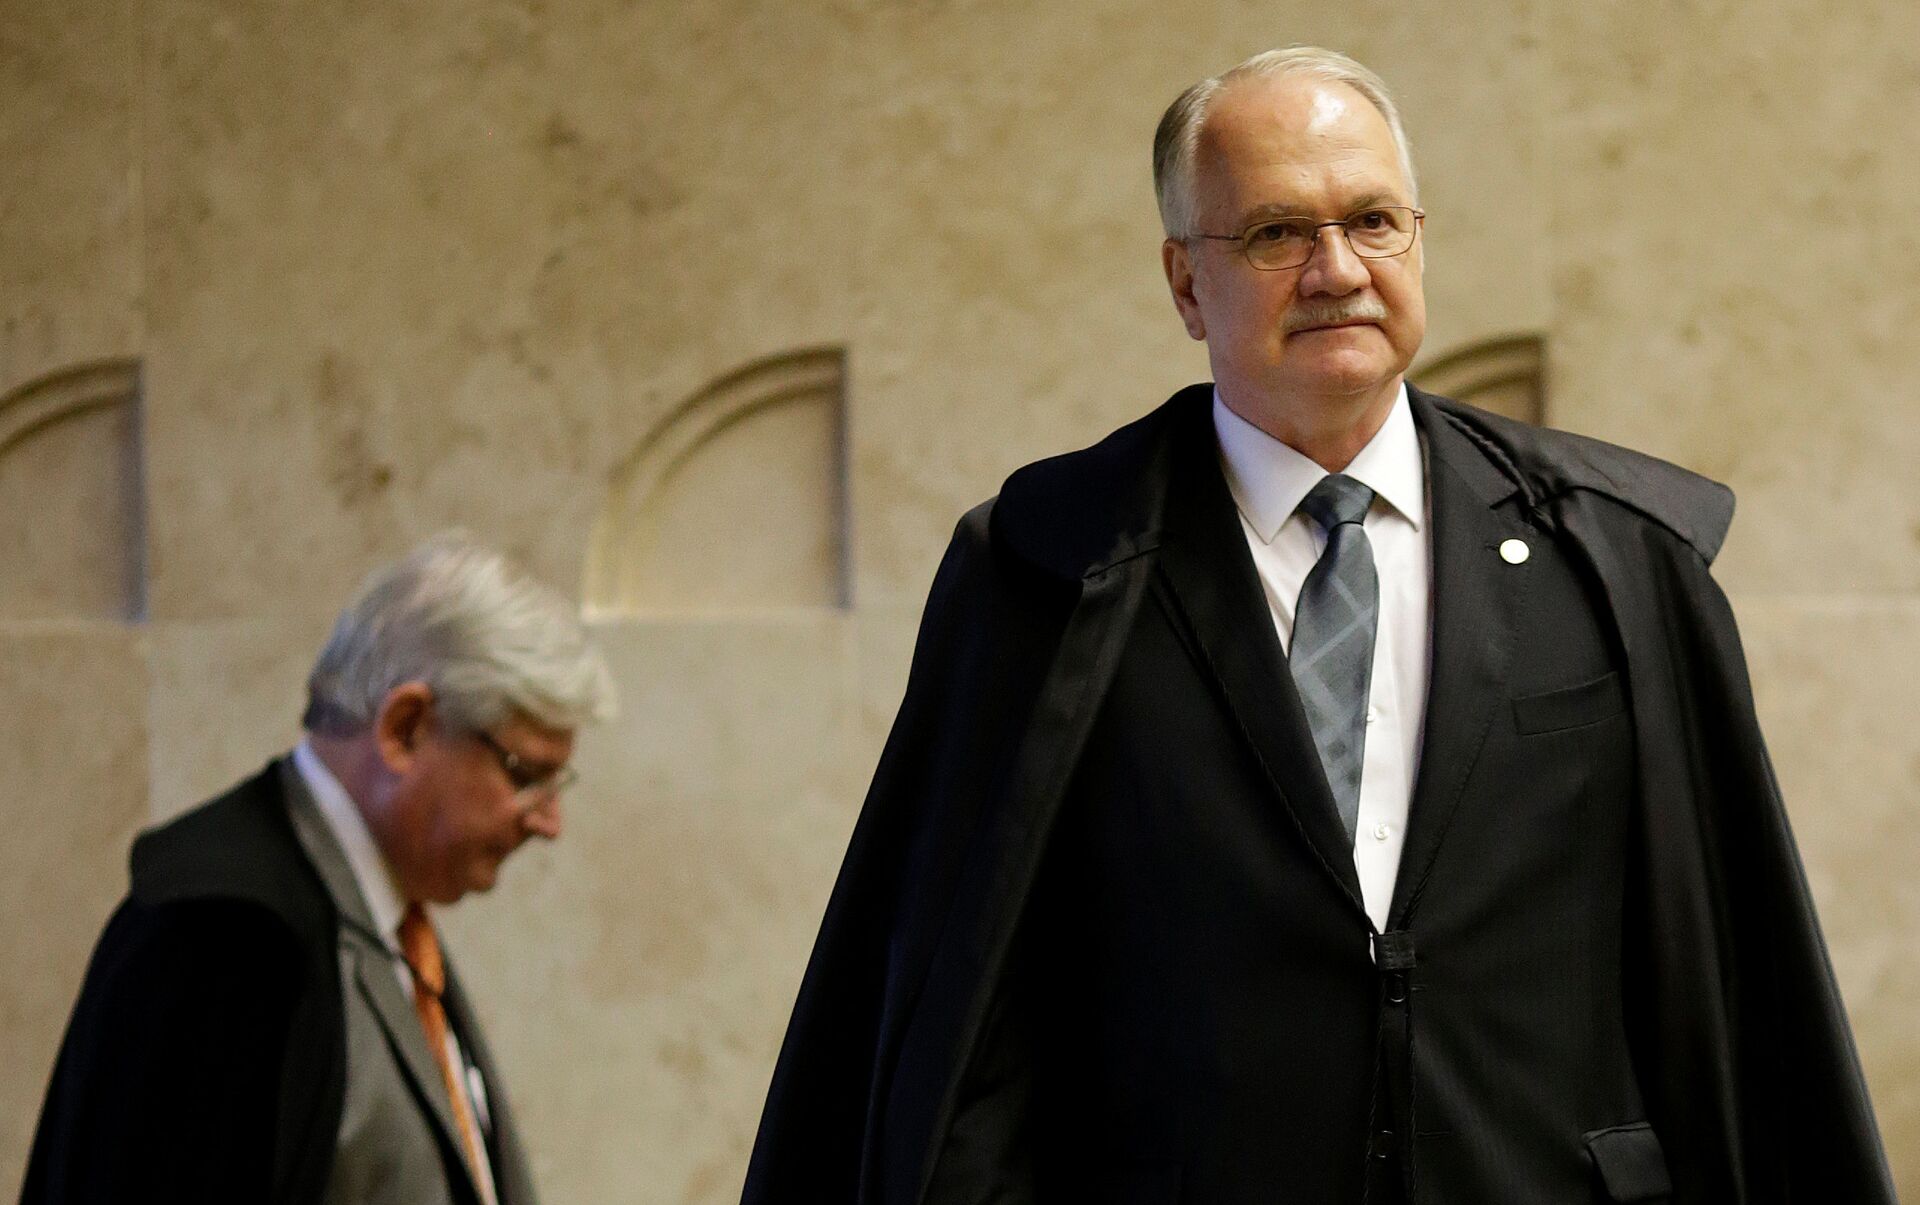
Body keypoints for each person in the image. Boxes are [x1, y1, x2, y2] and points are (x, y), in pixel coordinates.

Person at [742, 46, 1896, 1204]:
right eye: (1276, 233)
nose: (1337, 270)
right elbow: (958, 1009)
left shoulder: (1616, 554)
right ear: (1186, 283)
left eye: (1374, 221)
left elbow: (1742, 984)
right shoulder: (1047, 570)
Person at [22, 533, 615, 1205]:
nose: (549, 822)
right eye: (527, 775)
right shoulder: (223, 935)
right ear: (406, 728)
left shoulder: (383, 913)